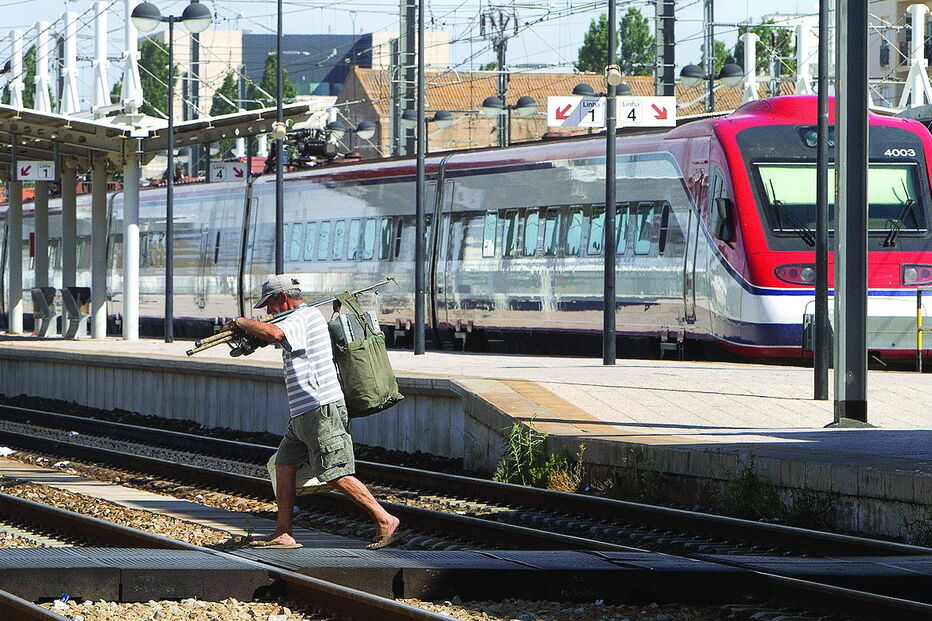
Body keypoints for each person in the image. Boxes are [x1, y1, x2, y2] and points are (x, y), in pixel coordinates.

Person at [223, 275, 401, 550]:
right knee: (284, 466)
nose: (268, 311)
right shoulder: (293, 319)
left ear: (282, 297)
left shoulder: (303, 318)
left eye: (269, 304)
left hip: (321, 409)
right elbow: (275, 335)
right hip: (303, 413)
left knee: (335, 471)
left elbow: (276, 334)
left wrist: (241, 322)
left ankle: (385, 519)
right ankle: (284, 532)